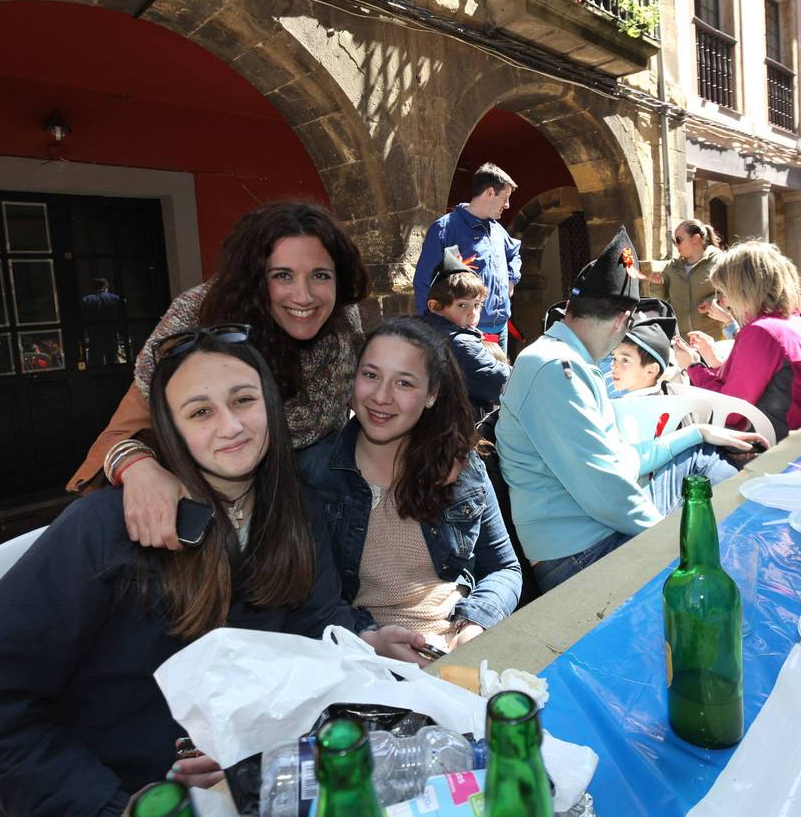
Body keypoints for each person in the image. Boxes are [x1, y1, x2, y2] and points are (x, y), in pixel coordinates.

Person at [0, 331, 423, 816]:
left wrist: (364, 637)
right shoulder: (102, 532)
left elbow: (310, 621)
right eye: (200, 412)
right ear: (169, 429)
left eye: (243, 400)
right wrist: (117, 805)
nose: (231, 425)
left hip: (252, 777)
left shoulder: (293, 510)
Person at [68, 201, 369, 550]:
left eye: (320, 275)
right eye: (282, 275)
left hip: (298, 519)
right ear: (255, 277)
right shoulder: (197, 318)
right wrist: (138, 467)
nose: (303, 296)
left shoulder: (343, 326)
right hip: (202, 525)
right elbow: (119, 434)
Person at [496, 227, 763, 592]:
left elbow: (614, 462)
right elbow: (605, 488)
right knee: (716, 521)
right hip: (579, 553)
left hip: (590, 534)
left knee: (701, 454)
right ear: (623, 321)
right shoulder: (555, 368)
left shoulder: (564, 360)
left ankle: (748, 551)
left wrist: (696, 432)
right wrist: (675, 550)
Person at [299, 318, 521, 657]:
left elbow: (504, 569)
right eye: (370, 375)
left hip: (458, 645)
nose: (381, 397)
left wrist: (473, 626)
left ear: (432, 394)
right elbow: (309, 603)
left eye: (404, 383)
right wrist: (368, 639)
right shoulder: (313, 472)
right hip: (362, 654)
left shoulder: (461, 466)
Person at [673, 241, 801, 442]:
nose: (725, 301)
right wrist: (712, 363)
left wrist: (693, 367)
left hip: (771, 451)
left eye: (726, 292)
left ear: (745, 289)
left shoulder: (762, 332)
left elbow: (732, 413)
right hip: (799, 444)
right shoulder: (797, 323)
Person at [413, 163, 521, 354]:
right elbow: (423, 280)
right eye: (505, 198)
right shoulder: (445, 229)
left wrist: (512, 279)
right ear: (489, 193)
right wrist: (430, 329)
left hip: (501, 331)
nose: (507, 205)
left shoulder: (498, 230)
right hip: (464, 333)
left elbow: (514, 253)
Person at [421, 246, 511, 418]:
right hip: (458, 429)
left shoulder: (427, 333)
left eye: (476, 305)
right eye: (462, 305)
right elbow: (503, 382)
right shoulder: (459, 342)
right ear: (436, 307)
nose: (473, 313)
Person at [649, 217, 724, 339]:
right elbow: (660, 301)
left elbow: (733, 294)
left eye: (679, 240)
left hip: (713, 336)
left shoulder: (720, 262)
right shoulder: (671, 268)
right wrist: (657, 284)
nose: (676, 245)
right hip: (682, 339)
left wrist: (712, 301)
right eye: (674, 241)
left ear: (696, 239)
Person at [609, 319, 672, 397]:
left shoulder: (655, 406)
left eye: (625, 360)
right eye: (614, 359)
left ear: (651, 370)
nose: (613, 366)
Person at [81, 277, 126, 366]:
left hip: (94, 336)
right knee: (112, 361)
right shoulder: (116, 299)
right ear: (106, 287)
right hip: (111, 334)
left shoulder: (86, 300)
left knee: (96, 363)